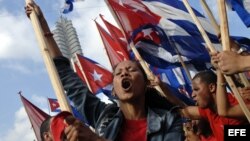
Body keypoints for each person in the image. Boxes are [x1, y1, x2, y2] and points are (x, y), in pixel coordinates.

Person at [26, 2, 184, 141]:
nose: (124, 73)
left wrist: (95, 139)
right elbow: (69, 79)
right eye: (118, 73)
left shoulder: (169, 121)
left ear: (146, 84)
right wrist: (44, 26)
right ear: (114, 91)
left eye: (131, 70)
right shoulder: (103, 117)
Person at [180, 70, 245, 141]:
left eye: (196, 89)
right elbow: (185, 112)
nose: (192, 95)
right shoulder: (209, 108)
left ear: (211, 87)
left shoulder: (235, 109)